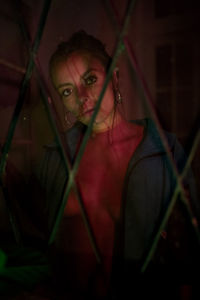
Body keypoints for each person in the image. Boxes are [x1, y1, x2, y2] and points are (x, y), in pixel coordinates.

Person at [38, 30, 200, 299]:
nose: (81, 96)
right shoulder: (56, 157)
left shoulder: (163, 150)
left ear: (113, 77)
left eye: (89, 79)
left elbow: (189, 249)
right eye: (67, 90)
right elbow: (43, 241)